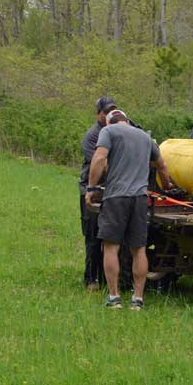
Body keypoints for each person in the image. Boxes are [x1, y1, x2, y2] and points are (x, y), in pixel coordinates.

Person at [85, 109, 174, 310]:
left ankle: (114, 297)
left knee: (111, 246)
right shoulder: (145, 137)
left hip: (116, 197)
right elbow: (162, 165)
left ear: (109, 123)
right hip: (140, 200)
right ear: (127, 120)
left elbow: (99, 158)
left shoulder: (108, 132)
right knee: (138, 249)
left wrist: (91, 188)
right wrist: (167, 186)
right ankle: (138, 299)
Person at [79, 96, 117, 291]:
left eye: (111, 110)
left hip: (112, 191)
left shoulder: (117, 132)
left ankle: (106, 278)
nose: (108, 114)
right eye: (105, 111)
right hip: (92, 191)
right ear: (98, 114)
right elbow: (99, 163)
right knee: (93, 237)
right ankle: (91, 279)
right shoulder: (92, 136)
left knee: (109, 237)